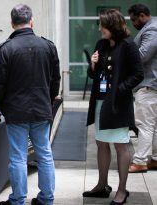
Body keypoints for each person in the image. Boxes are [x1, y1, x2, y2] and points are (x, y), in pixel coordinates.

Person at [0, 4, 61, 205]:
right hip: (41, 109)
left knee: (18, 158)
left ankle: (18, 200)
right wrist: (48, 100)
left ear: (12, 23)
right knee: (45, 155)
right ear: (32, 21)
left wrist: (4, 104)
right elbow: (55, 80)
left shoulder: (6, 48)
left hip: (16, 111)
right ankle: (47, 199)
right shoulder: (48, 46)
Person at [83, 9, 143, 205]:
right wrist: (92, 65)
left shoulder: (128, 45)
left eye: (102, 25)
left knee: (120, 144)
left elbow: (138, 74)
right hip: (100, 101)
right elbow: (94, 75)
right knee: (101, 142)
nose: (99, 28)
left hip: (118, 103)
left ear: (112, 26)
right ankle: (102, 185)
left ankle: (122, 189)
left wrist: (120, 89)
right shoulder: (101, 44)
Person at [127, 4, 157, 173]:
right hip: (153, 85)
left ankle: (140, 161)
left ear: (143, 15)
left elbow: (142, 55)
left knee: (144, 125)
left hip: (148, 85)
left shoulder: (152, 30)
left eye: (134, 19)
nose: (133, 23)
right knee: (154, 126)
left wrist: (124, 55)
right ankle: (155, 159)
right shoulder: (152, 27)